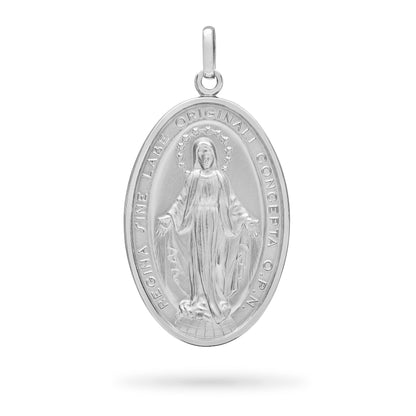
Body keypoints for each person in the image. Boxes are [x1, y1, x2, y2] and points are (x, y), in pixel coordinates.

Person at [156, 137, 259, 324]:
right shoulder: (193, 178)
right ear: (197, 157)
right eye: (201, 154)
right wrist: (170, 216)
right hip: (198, 225)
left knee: (216, 263)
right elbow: (181, 200)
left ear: (214, 155)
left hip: (217, 225)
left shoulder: (221, 178)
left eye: (207, 153)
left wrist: (245, 219)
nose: (205, 158)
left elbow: (232, 202)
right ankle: (200, 300)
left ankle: (218, 300)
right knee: (199, 263)